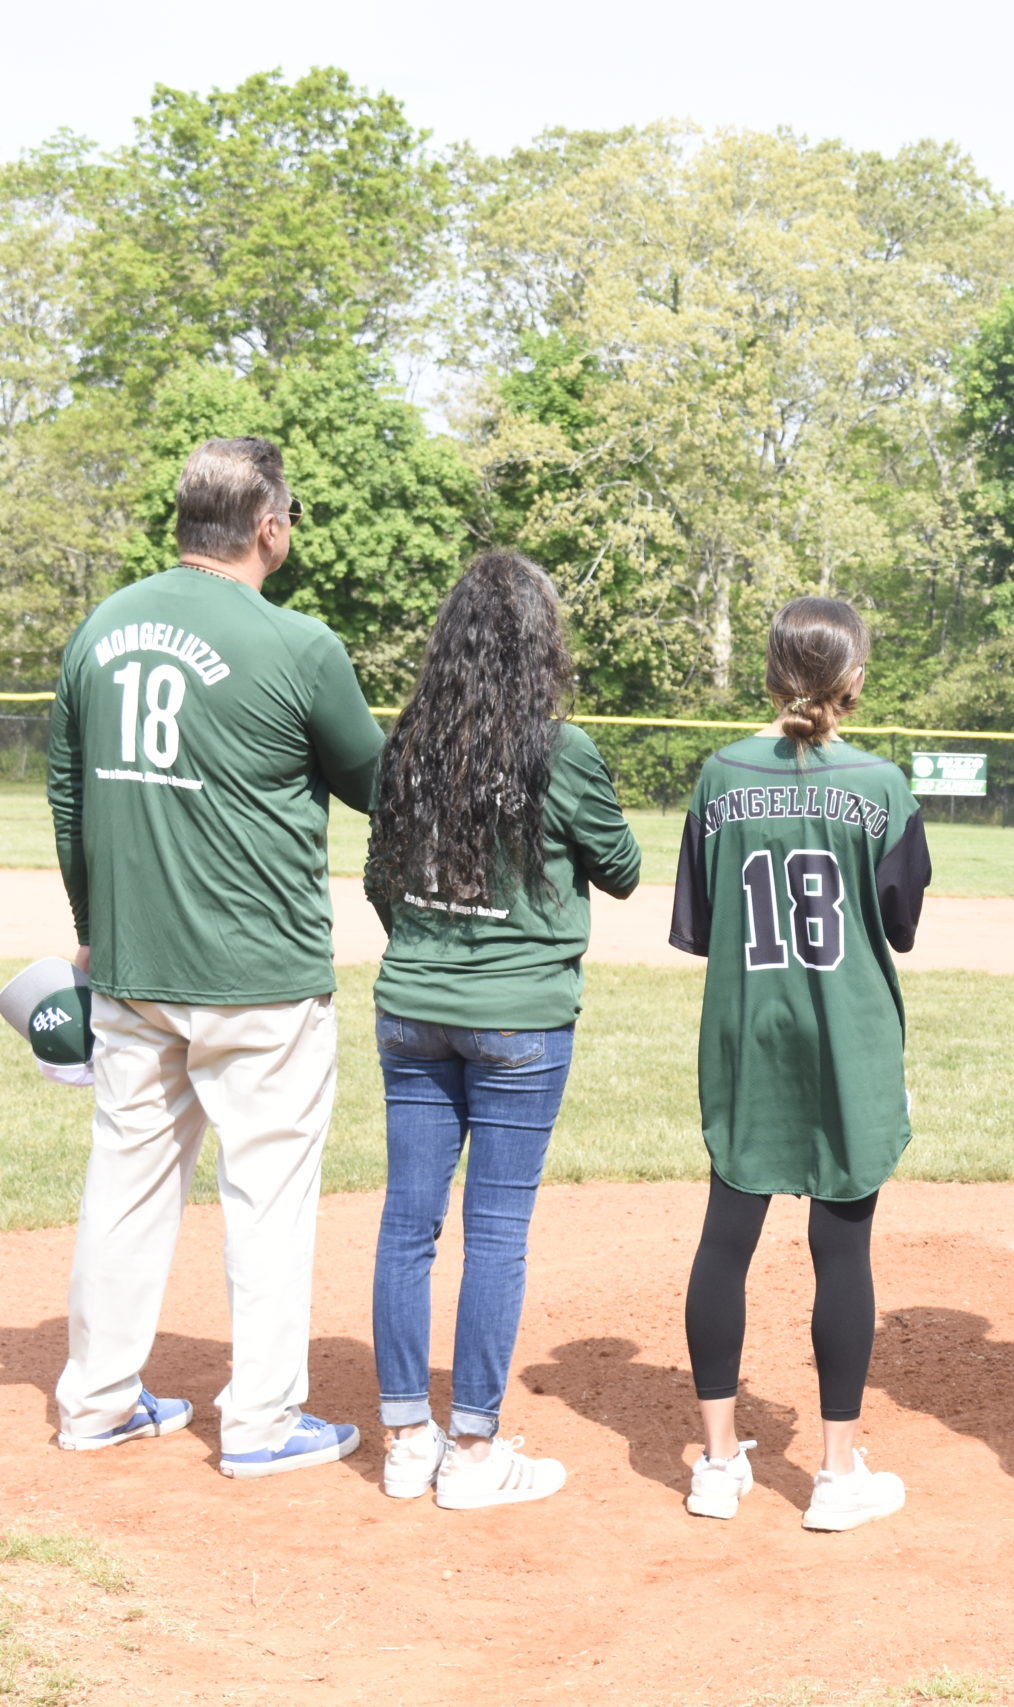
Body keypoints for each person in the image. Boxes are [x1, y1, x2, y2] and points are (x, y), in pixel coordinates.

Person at [47, 437, 384, 1476]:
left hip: (134, 967)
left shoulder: (101, 626)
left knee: (126, 1185)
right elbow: (380, 789)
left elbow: (68, 796)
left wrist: (95, 930)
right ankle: (264, 1423)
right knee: (269, 1197)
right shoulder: (298, 644)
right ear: (268, 527)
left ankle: (97, 1400)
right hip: (259, 974)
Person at [364, 551, 643, 1509]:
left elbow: (379, 880)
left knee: (407, 1223)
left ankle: (406, 1437)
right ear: (542, 646)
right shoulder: (560, 752)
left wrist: (433, 951)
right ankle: (475, 1453)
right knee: (495, 1232)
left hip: (410, 1008)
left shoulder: (406, 743)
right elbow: (623, 867)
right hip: (521, 1020)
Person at [669, 597, 929, 1533]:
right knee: (842, 1249)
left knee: (724, 1238)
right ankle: (834, 1471)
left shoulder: (719, 775)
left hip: (750, 1033)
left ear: (772, 674)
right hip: (848, 1038)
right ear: (852, 679)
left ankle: (715, 1463)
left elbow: (697, 929)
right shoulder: (883, 784)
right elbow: (900, 922)